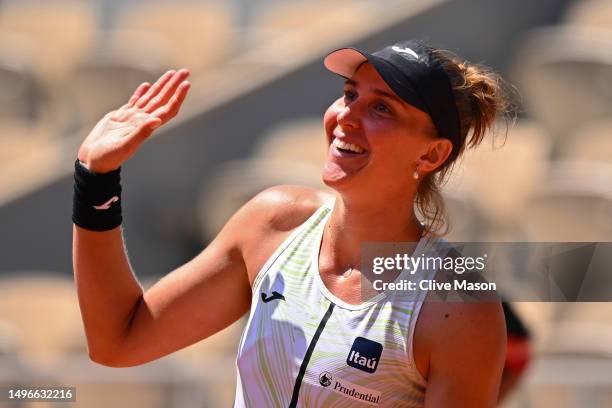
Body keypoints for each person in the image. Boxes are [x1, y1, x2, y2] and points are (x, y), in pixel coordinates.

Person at [73, 40, 513, 407]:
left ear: (431, 155)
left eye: (382, 108)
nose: (347, 117)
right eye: (349, 94)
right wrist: (95, 179)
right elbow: (119, 340)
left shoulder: (457, 306)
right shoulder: (273, 222)